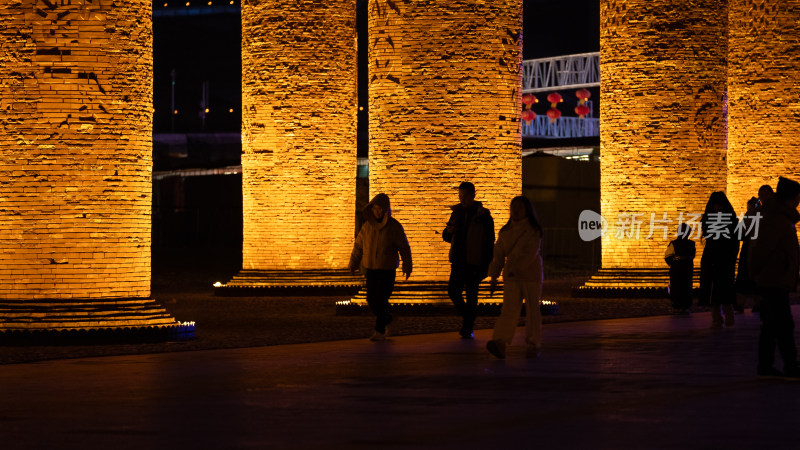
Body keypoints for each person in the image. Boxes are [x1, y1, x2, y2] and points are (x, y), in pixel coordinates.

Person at [748, 176, 800, 378]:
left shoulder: (780, 217)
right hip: (773, 279)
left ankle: (766, 364)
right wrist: (755, 276)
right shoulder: (776, 218)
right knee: (784, 324)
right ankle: (790, 364)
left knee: (771, 325)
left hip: (776, 278)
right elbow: (763, 249)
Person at [485, 196, 544, 359]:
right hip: (511, 277)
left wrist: (516, 268)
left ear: (527, 210)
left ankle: (533, 343)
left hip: (531, 276)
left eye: (519, 207)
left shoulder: (533, 230)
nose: (516, 210)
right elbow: (498, 256)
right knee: (508, 310)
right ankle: (500, 341)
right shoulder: (506, 232)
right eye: (513, 207)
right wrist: (494, 276)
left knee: (533, 311)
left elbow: (530, 254)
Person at [349, 193, 412, 341]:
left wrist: (407, 265)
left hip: (387, 268)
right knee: (371, 299)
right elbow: (359, 246)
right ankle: (388, 318)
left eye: (380, 209)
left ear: (386, 210)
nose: (377, 211)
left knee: (382, 299)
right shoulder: (367, 227)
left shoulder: (394, 227)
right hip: (371, 268)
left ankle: (380, 331)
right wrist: (353, 263)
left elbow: (404, 247)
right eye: (375, 208)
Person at [442, 182, 495, 339]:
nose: (462, 199)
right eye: (460, 195)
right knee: (453, 291)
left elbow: (489, 241)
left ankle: (468, 326)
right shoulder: (456, 212)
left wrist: (487, 263)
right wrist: (448, 232)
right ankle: (468, 317)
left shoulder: (483, 216)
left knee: (471, 294)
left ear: (473, 195)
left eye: (465, 195)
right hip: (458, 260)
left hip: (475, 260)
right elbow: (446, 236)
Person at [698, 191, 740, 328]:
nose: (717, 208)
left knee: (725, 287)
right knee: (712, 289)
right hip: (711, 257)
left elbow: (735, 239)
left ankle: (729, 315)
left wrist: (732, 256)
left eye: (719, 205)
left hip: (725, 258)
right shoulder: (708, 219)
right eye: (715, 206)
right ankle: (716, 318)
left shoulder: (731, 219)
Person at [735, 185, 773, 312]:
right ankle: (743, 304)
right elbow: (741, 230)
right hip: (753, 248)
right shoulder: (755, 212)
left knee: (758, 280)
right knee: (748, 278)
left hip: (764, 249)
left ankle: (755, 304)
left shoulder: (774, 212)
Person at [665, 223, 696, 314]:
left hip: (682, 268)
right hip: (679, 268)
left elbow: (668, 257)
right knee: (678, 287)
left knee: (685, 287)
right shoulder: (676, 243)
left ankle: (683, 306)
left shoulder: (689, 243)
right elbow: (668, 257)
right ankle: (679, 306)